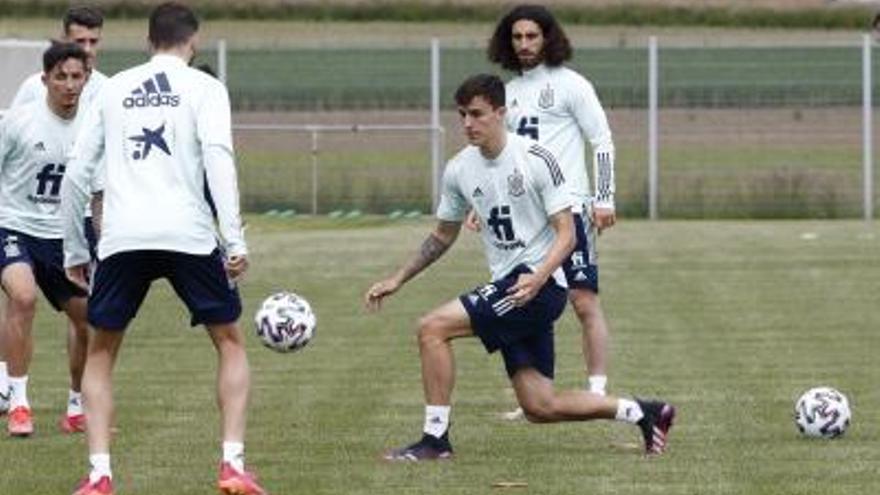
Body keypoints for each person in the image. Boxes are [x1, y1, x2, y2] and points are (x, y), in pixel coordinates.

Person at [364, 73, 674, 461]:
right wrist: (398, 278)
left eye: (477, 114)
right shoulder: (459, 169)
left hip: (539, 287)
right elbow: (443, 235)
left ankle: (435, 440)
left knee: (432, 328)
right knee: (539, 406)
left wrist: (538, 276)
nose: (467, 123)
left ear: (500, 113)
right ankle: (644, 412)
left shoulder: (537, 159)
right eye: (462, 114)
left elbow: (568, 234)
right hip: (514, 286)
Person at [61, 3, 266, 494]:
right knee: (230, 343)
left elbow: (76, 173)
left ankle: (99, 476)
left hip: (123, 236)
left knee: (102, 354)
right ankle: (231, 464)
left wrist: (74, 248)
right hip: (188, 235)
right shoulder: (205, 87)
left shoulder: (109, 90)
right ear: (192, 42)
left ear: (148, 40)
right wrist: (234, 239)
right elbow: (220, 160)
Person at [483, 4, 618, 419]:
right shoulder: (506, 93)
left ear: (548, 38)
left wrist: (604, 196)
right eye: (517, 37)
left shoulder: (571, 84)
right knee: (528, 298)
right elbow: (504, 158)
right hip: (527, 215)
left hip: (570, 207)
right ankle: (537, 398)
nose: (524, 44)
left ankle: (597, 392)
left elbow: (602, 139)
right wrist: (483, 203)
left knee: (582, 300)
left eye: (532, 36)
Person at [0, 4, 108, 431]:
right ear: (45, 79)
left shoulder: (95, 121)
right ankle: (18, 400)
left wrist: (106, 239)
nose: (68, 84)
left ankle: (77, 405)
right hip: (15, 224)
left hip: (66, 232)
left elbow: (99, 189)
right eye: (60, 76)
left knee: (89, 318)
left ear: (86, 79)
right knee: (22, 298)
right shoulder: (19, 118)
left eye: (75, 76)